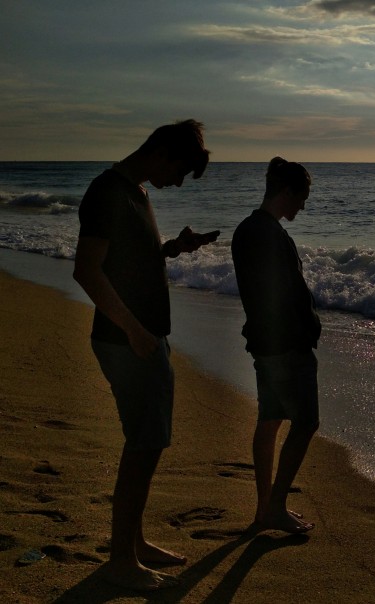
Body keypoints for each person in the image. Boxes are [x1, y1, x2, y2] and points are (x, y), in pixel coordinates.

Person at [73, 119, 213, 591]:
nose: (179, 183)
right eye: (180, 171)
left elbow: (130, 261)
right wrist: (133, 330)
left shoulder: (138, 193)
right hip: (127, 340)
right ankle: (120, 560)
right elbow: (87, 271)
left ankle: (133, 544)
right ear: (161, 152)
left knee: (148, 443)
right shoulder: (107, 192)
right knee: (143, 446)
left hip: (144, 336)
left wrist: (173, 248)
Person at [231, 157, 321, 534]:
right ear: (286, 192)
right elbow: (282, 294)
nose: (303, 206)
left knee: (270, 419)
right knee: (305, 422)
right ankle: (275, 506)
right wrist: (306, 328)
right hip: (285, 345)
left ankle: (265, 507)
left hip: (265, 343)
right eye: (302, 198)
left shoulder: (248, 229)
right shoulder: (267, 233)